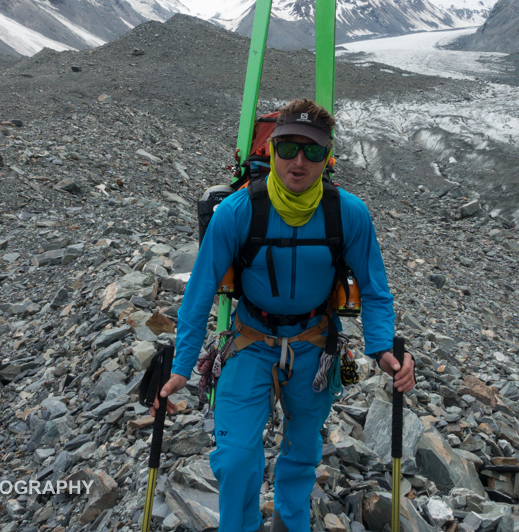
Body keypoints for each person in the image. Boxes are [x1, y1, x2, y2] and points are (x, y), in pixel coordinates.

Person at [153, 98, 415, 532]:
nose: (299, 161)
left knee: (303, 450)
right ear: (273, 149)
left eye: (312, 151)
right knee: (235, 457)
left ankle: (291, 525)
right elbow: (198, 294)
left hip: (315, 346)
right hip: (249, 341)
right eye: (289, 147)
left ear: (327, 156)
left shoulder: (348, 213)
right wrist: (182, 367)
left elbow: (375, 290)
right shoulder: (237, 211)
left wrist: (383, 348)